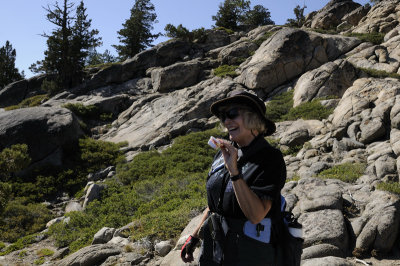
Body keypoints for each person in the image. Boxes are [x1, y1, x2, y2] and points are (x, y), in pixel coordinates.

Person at [181, 90, 287, 266]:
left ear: (253, 118)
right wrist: (194, 236)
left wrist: (234, 172)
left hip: (252, 254)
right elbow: (215, 204)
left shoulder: (270, 158)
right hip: (215, 248)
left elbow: (256, 215)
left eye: (232, 114)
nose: (226, 121)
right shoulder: (225, 152)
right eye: (223, 116)